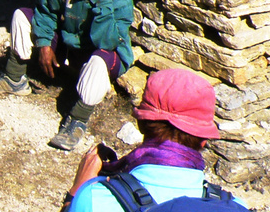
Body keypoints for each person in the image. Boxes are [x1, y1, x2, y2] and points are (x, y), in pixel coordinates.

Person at [0, 0, 134, 151]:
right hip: (68, 48)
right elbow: (45, 12)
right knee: (21, 16)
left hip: (98, 54)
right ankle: (14, 78)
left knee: (100, 59)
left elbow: (107, 42)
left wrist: (104, 3)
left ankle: (78, 120)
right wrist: (44, 44)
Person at [61, 66, 245, 212]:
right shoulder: (235, 206)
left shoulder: (96, 200)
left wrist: (77, 192)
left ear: (141, 124)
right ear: (204, 140)